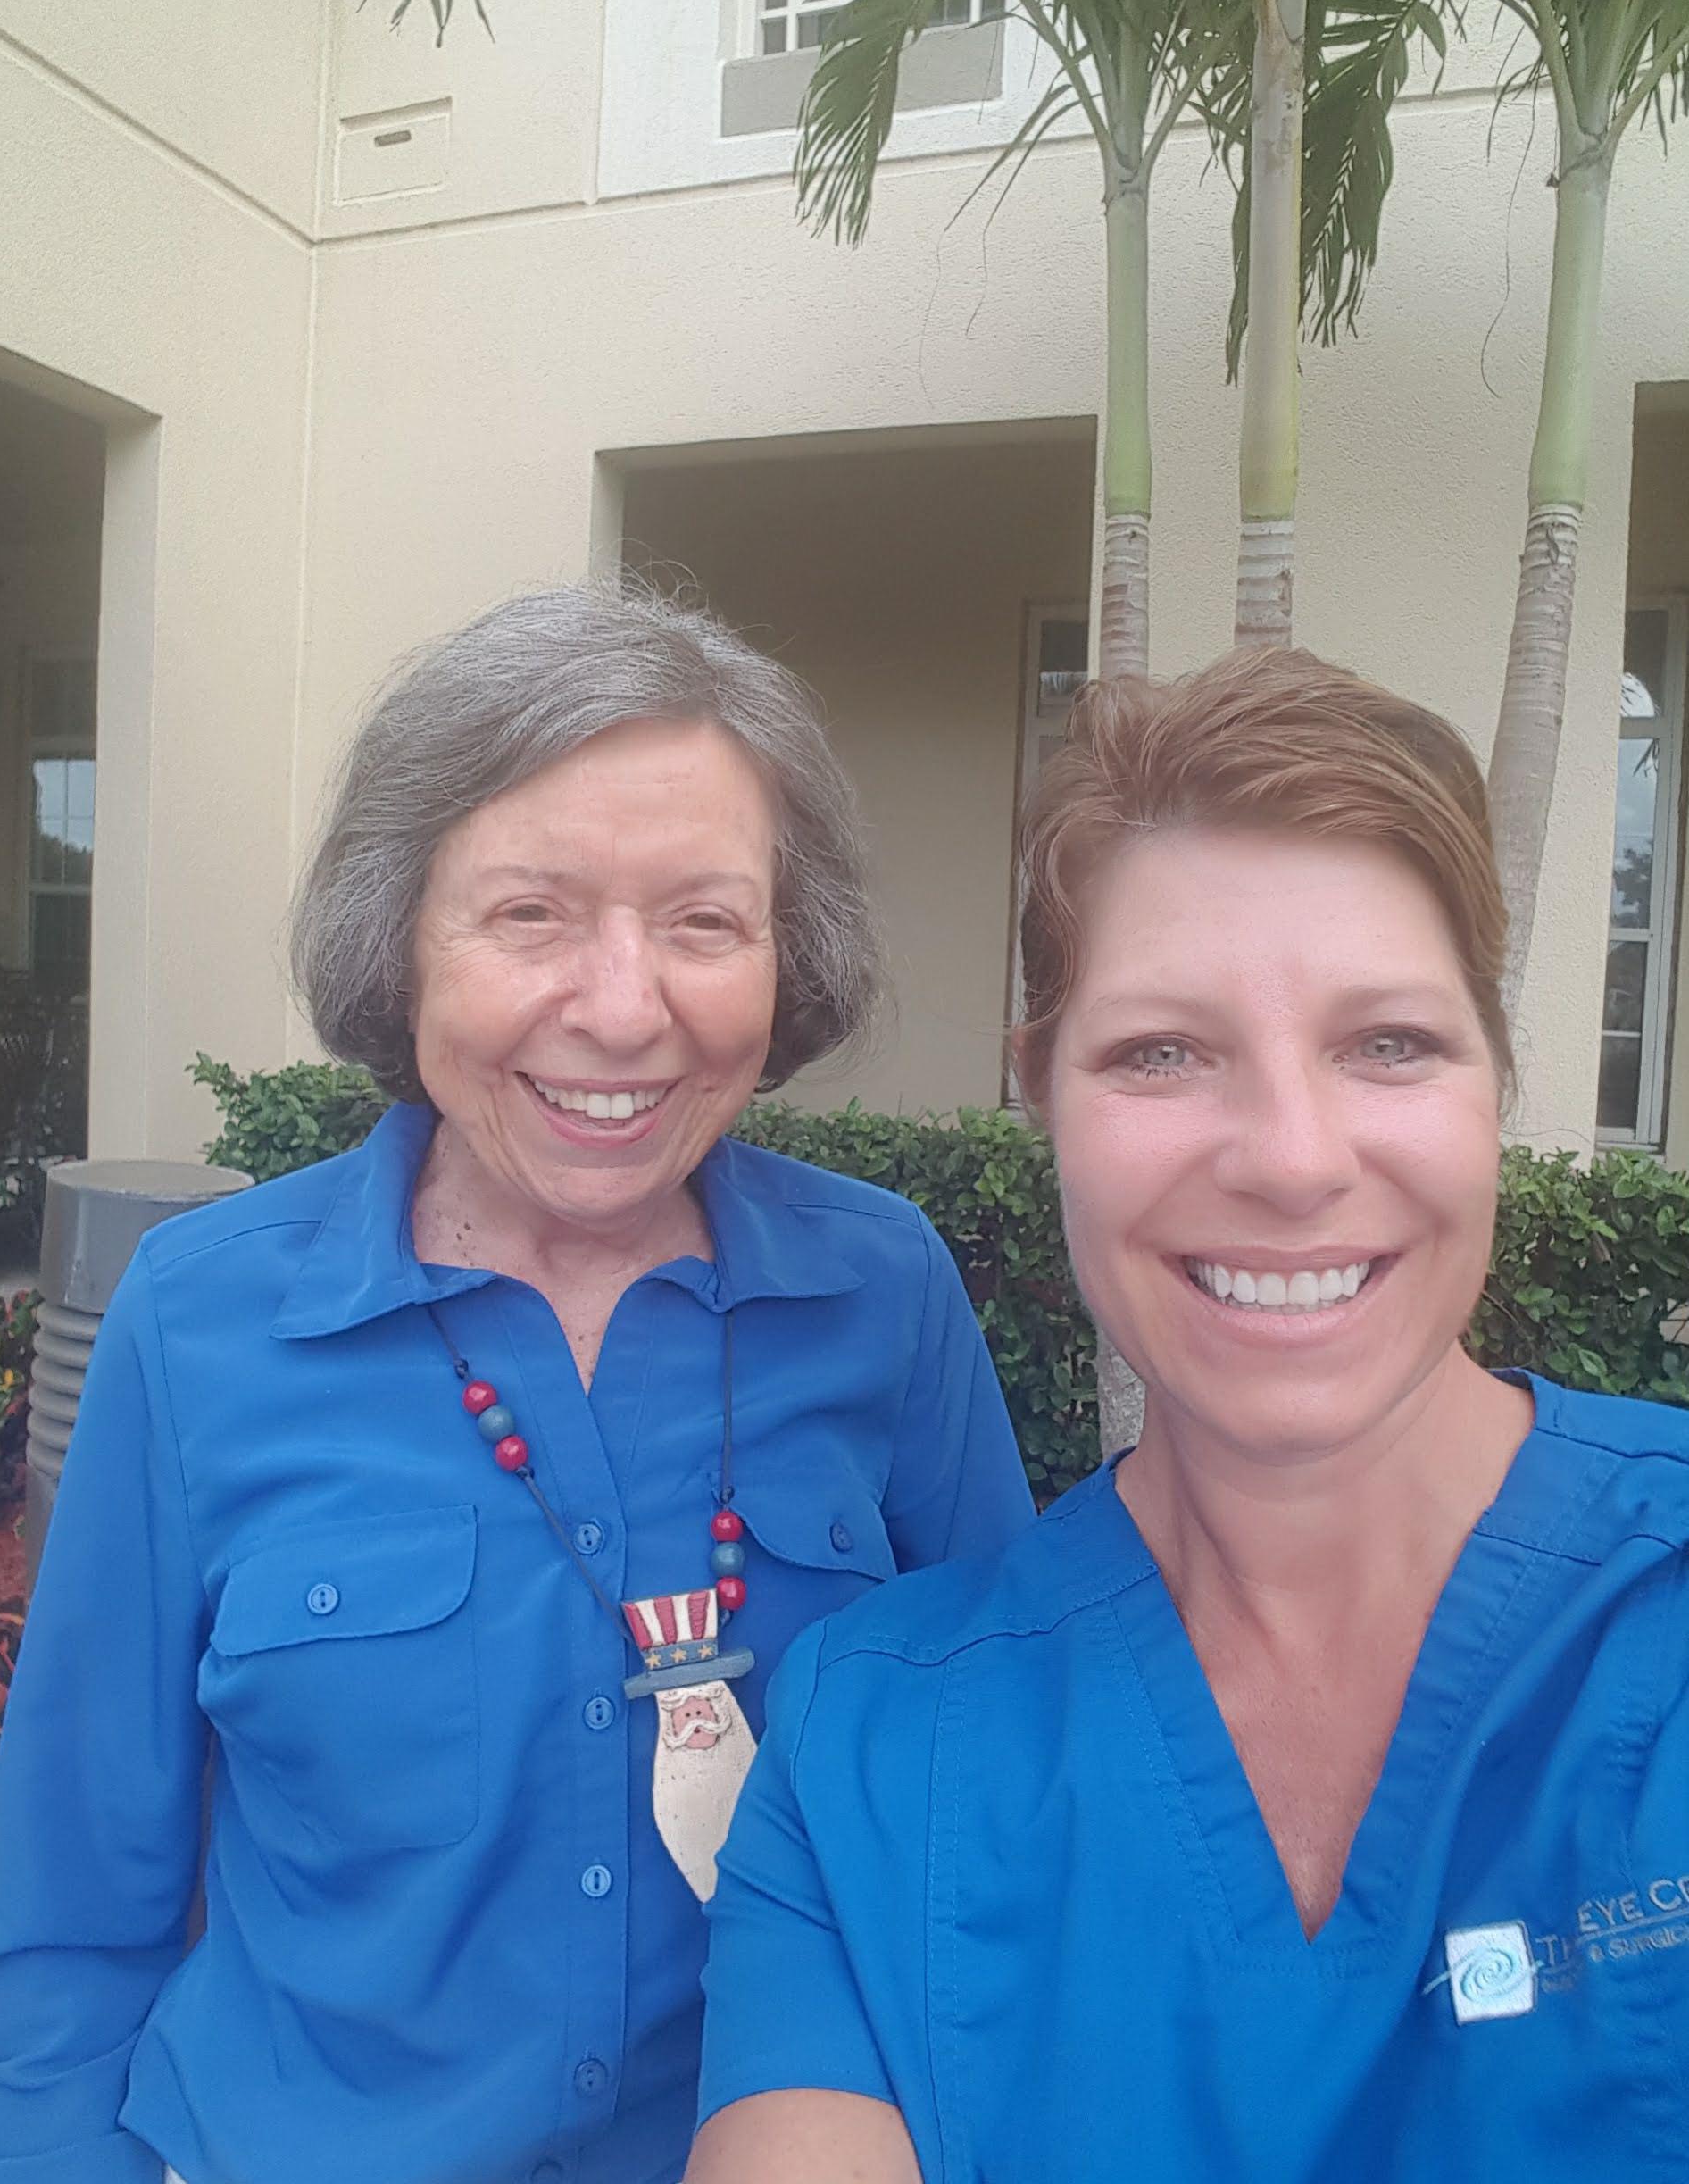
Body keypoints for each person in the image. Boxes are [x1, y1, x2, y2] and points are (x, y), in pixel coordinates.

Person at [0, 587, 1034, 2184]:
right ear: (399, 944)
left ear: (785, 958)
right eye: (529, 914)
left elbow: (996, 1798)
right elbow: (65, 1918)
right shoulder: (202, 1326)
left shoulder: (883, 1294)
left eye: (703, 920)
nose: (621, 1007)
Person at [689, 646, 1689, 2184]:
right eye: (1163, 1052)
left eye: (1390, 1044)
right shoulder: (873, 1750)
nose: (1292, 1159)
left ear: (1497, 1082)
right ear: (1044, 1097)